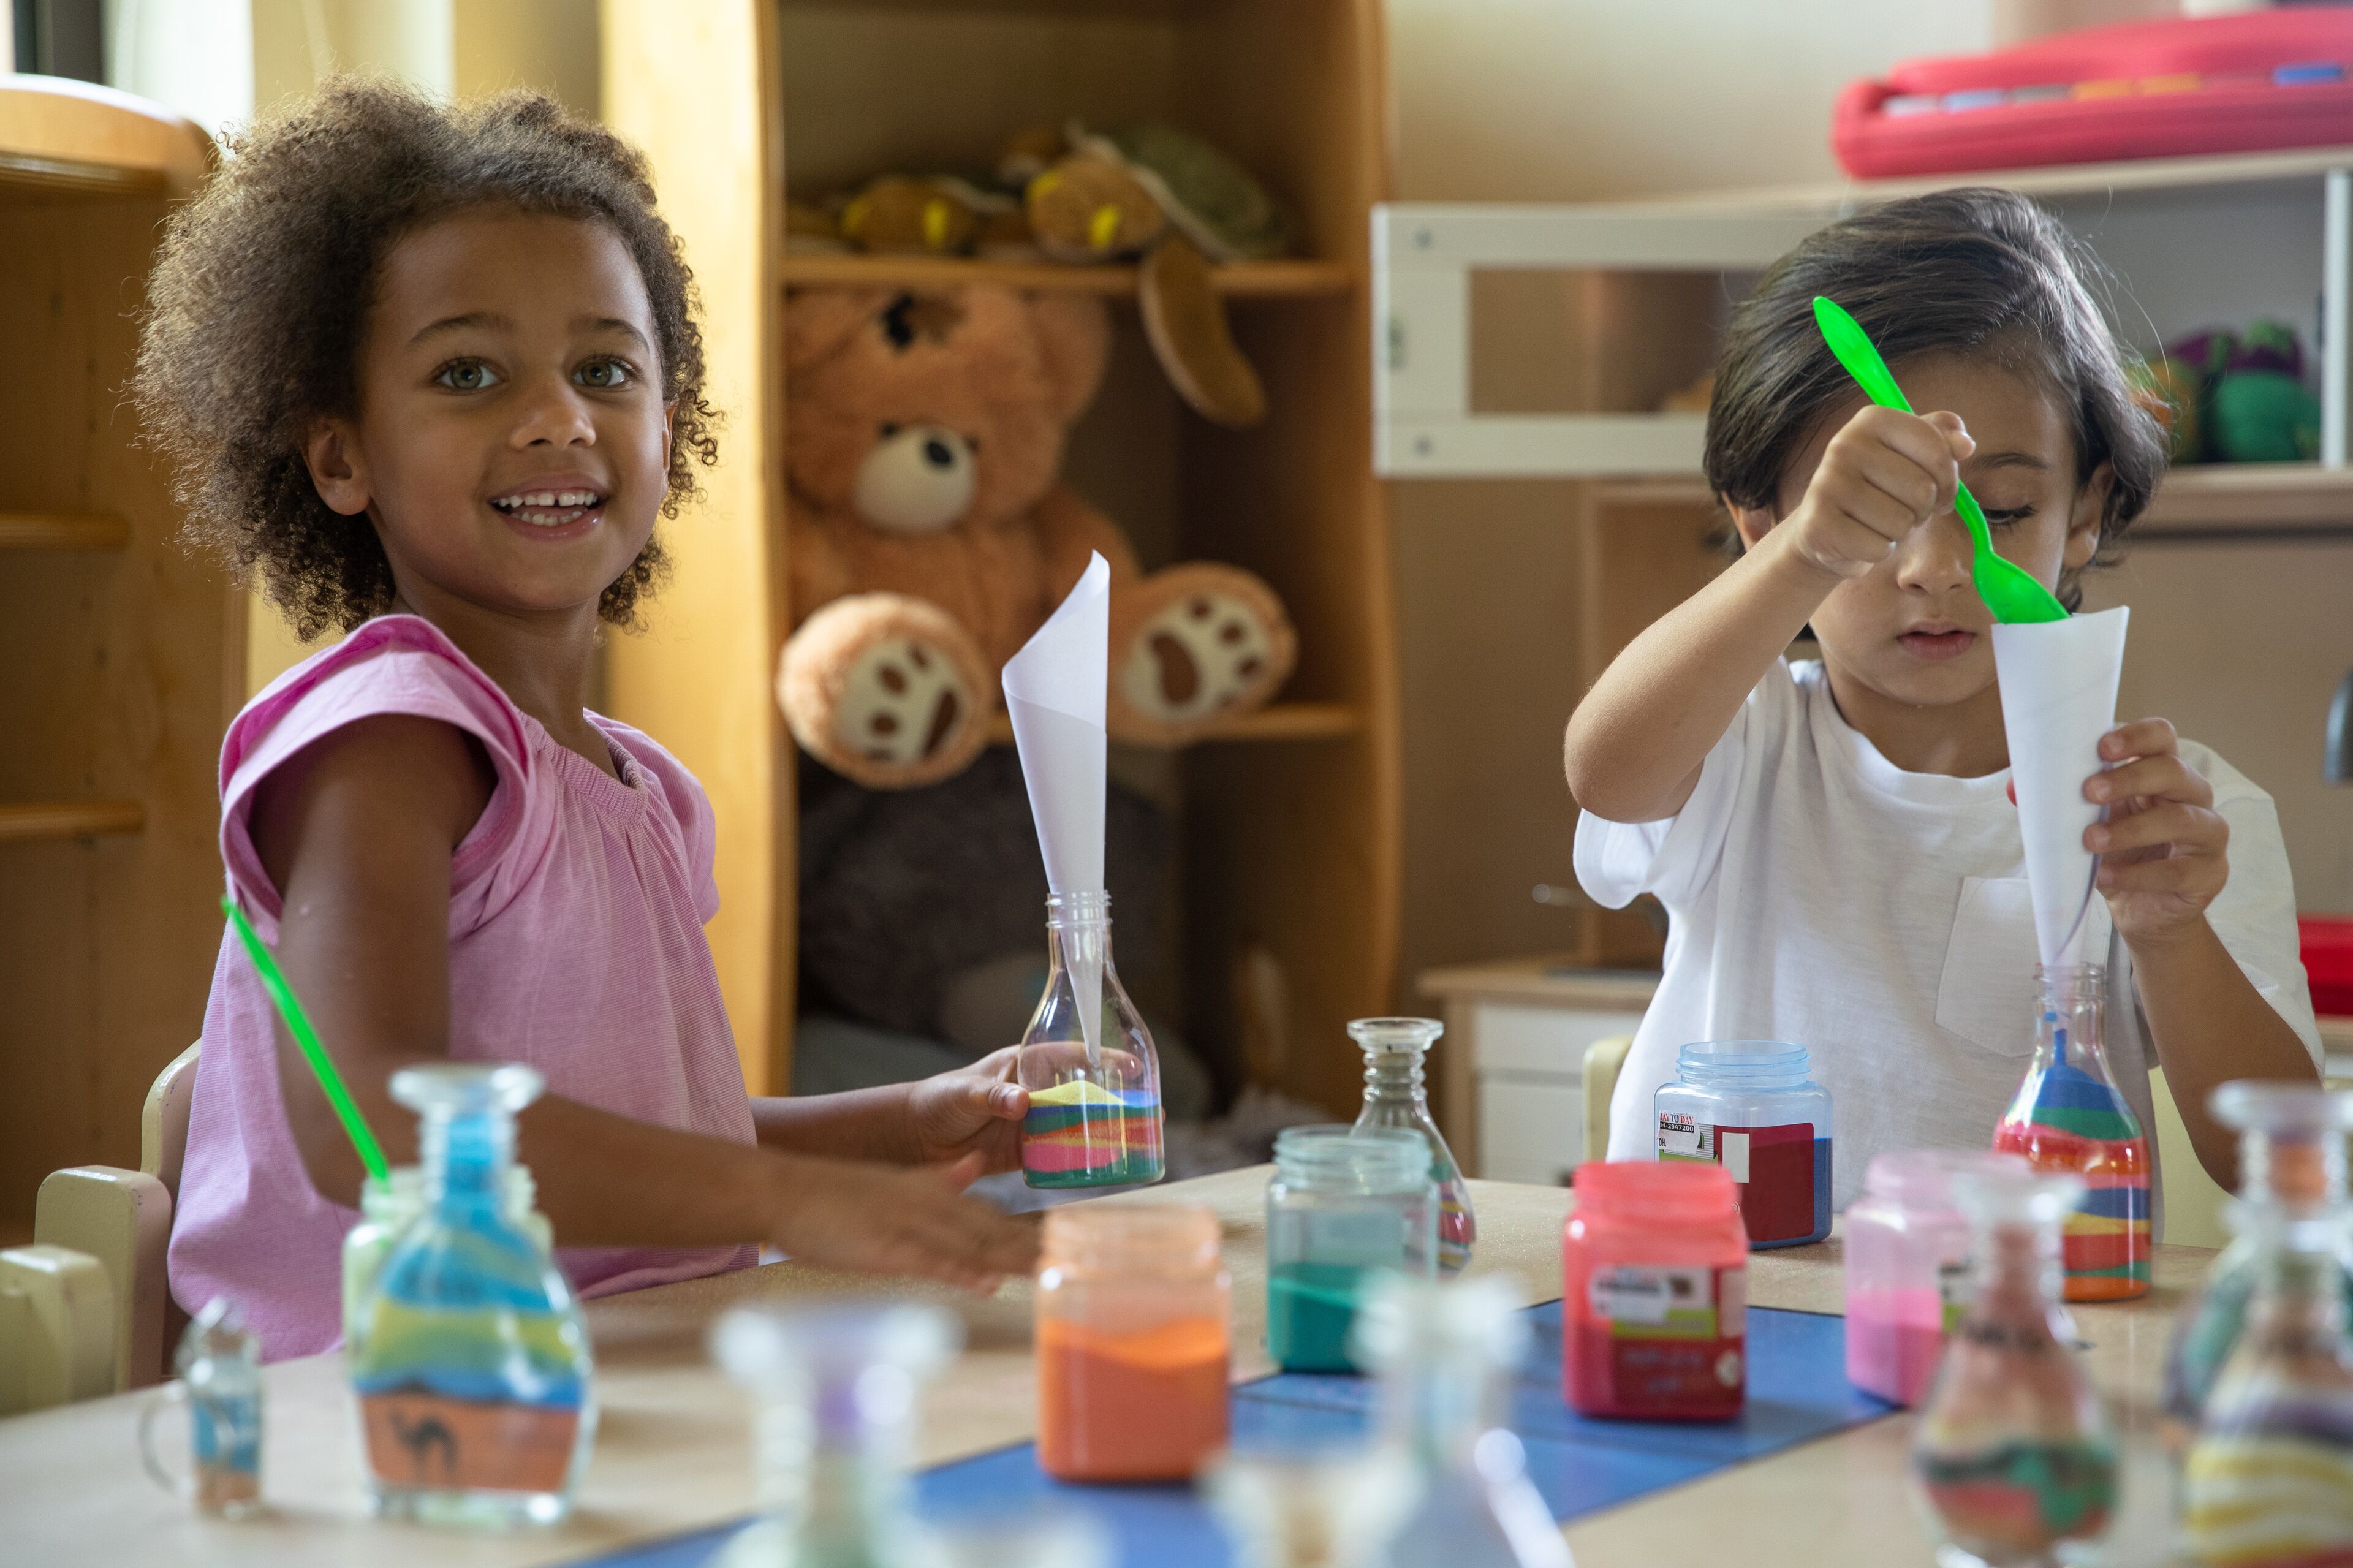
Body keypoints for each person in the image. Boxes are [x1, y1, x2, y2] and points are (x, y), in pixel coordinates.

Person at [134, 81, 1038, 1360]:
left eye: (605, 369)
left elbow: (641, 1138)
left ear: (668, 426)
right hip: (377, 1411)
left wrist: (902, 1121)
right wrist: (790, 1201)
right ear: (340, 456)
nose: (558, 415)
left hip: (623, 1369)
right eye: (468, 372)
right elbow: (374, 1124)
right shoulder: (383, 740)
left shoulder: (644, 791)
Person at [1563, 187, 2320, 1213]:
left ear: (2085, 516)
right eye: (1867, 520)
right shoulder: (1746, 742)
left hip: (2014, 1327)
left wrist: (2172, 934)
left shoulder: (2175, 817)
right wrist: (1809, 554)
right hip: (1720, 1305)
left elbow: (2265, 1160)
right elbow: (1607, 771)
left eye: (2001, 510)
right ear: (1762, 530)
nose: (1935, 566)